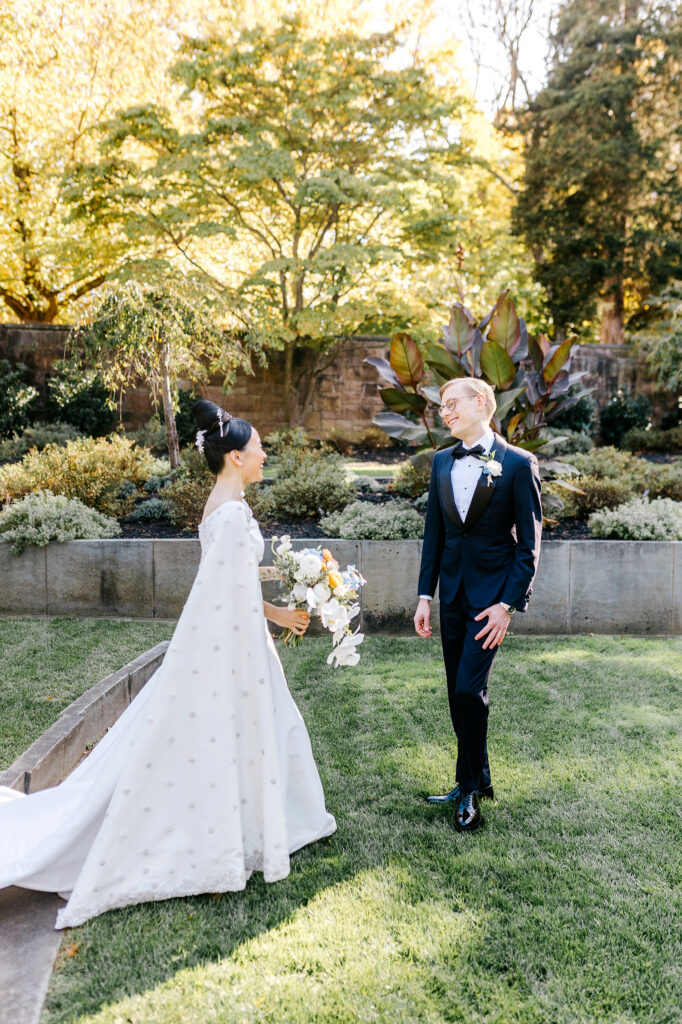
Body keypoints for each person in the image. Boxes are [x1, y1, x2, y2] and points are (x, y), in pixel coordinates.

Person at [0, 400, 336, 928]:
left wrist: (301, 575)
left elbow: (237, 578)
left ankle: (260, 825)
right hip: (230, 646)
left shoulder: (227, 504)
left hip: (234, 639)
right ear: (234, 457)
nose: (264, 453)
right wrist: (277, 613)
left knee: (263, 728)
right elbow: (226, 592)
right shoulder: (228, 513)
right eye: (258, 448)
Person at [414, 378, 542, 832]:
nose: (444, 413)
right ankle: (476, 777)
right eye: (441, 407)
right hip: (451, 597)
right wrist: (425, 595)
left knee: (470, 691)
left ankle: (468, 790)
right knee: (456, 693)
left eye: (452, 404)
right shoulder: (442, 461)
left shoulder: (518, 464)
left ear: (482, 404)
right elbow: (436, 534)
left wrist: (509, 605)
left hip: (491, 603)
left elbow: (528, 547)